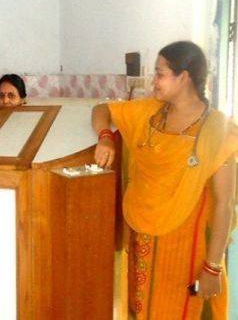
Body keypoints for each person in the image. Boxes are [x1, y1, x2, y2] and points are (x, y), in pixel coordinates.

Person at [92, 41, 238, 319]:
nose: (153, 81)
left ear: (184, 77)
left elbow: (224, 204)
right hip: (140, 240)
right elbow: (102, 109)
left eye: (160, 74)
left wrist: (212, 268)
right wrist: (106, 137)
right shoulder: (149, 113)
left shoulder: (217, 130)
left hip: (186, 253)